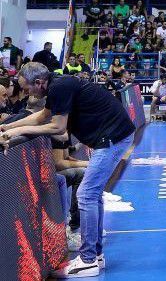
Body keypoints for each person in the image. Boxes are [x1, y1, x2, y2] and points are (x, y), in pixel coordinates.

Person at [0, 62, 135, 278]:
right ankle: (96, 255)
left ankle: (88, 260)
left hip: (112, 137)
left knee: (86, 194)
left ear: (38, 82)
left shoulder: (59, 87)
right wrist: (7, 127)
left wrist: (18, 131)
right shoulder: (56, 85)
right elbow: (42, 116)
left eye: (27, 89)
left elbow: (58, 127)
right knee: (93, 194)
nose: (26, 94)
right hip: (113, 134)